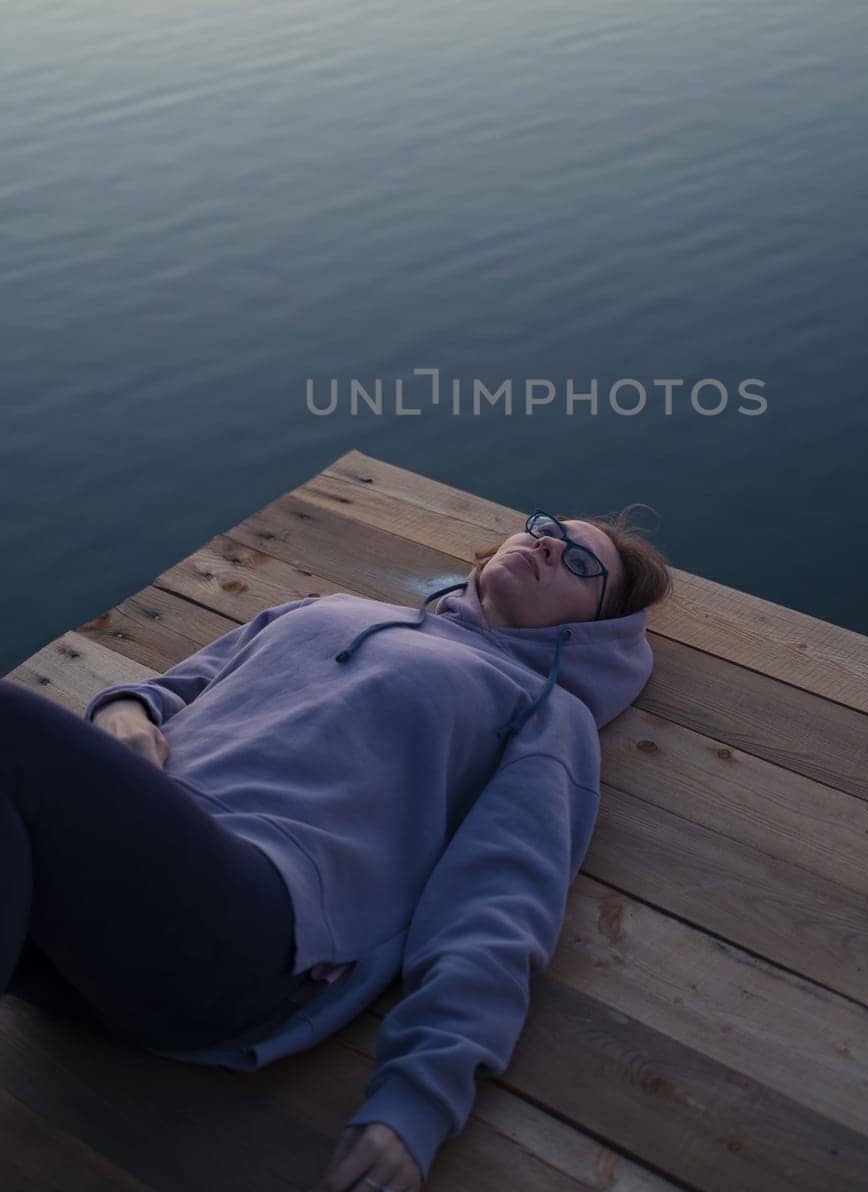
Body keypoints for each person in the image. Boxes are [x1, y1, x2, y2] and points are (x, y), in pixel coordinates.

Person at [2, 504, 672, 1191]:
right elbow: (167, 692)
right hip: (91, 919)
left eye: (581, 562)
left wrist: (419, 1096)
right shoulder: (328, 609)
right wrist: (123, 713)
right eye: (544, 529)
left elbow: (498, 899)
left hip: (248, 927)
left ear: (597, 630)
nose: (546, 546)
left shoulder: (543, 711)